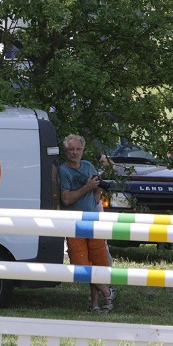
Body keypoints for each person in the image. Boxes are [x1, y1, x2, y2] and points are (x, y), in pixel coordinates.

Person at [58, 134, 115, 313]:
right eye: (71, 149)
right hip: (74, 223)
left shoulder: (89, 166)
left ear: (83, 150)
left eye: (78, 149)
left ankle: (96, 305)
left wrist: (96, 192)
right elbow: (66, 199)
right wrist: (87, 188)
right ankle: (108, 292)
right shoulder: (63, 170)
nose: (75, 152)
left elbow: (97, 184)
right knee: (81, 264)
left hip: (93, 220)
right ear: (65, 151)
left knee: (98, 262)